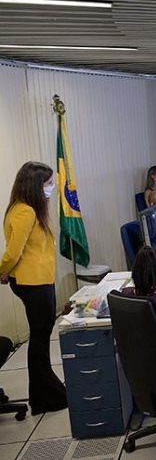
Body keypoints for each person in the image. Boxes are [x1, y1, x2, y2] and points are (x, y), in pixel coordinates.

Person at [0, 162, 67, 415]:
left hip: (37, 280)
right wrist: (2, 270)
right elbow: (13, 252)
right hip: (33, 282)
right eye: (48, 183)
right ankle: (43, 397)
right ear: (35, 185)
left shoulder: (23, 208)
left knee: (41, 339)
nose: (51, 187)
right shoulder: (25, 212)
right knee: (39, 340)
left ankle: (46, 392)